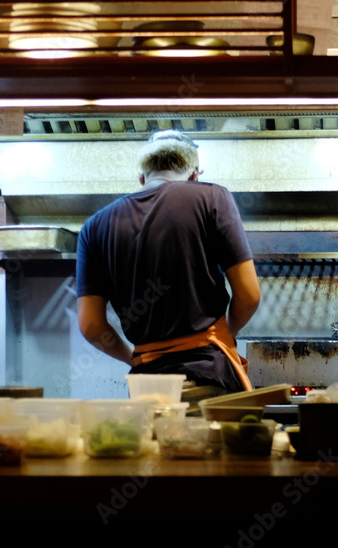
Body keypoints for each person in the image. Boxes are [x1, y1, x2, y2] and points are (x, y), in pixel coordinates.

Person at [75, 130, 261, 393]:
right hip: (207, 375)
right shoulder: (212, 197)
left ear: (141, 177)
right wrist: (222, 334)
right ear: (195, 176)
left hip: (146, 385)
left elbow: (91, 325)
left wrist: (135, 357)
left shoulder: (93, 227)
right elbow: (250, 295)